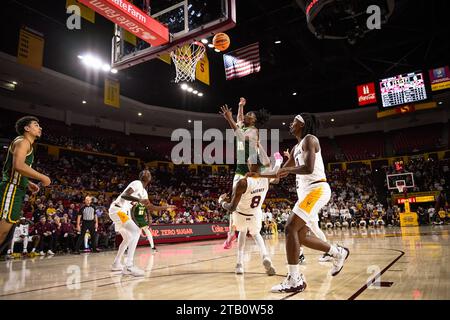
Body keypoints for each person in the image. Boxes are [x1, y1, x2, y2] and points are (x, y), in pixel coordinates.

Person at [262, 114, 349, 293]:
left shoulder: (310, 139)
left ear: (304, 124)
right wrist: (259, 175)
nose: (291, 124)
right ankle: (337, 252)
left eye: (295, 121)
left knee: (289, 228)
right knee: (299, 236)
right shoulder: (295, 148)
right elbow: (280, 174)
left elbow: (308, 168)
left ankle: (295, 280)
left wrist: (285, 169)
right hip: (306, 195)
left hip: (317, 189)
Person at [108, 170, 175, 277]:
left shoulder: (144, 193)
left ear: (150, 178)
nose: (146, 173)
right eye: (144, 172)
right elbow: (125, 195)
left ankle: (116, 264)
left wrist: (166, 207)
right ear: (141, 176)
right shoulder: (136, 183)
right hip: (118, 210)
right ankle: (128, 266)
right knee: (135, 231)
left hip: (122, 212)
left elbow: (150, 207)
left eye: (148, 173)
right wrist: (139, 200)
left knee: (127, 238)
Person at [219, 155, 277, 276]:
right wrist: (278, 162)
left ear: (249, 165)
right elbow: (276, 178)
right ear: (260, 166)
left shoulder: (242, 182)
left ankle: (239, 264)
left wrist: (221, 202)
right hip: (255, 214)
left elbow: (231, 207)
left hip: (240, 215)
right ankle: (265, 256)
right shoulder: (265, 179)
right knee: (256, 235)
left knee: (242, 233)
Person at [0, 116, 51, 254]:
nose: (40, 127)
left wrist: (27, 183)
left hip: (16, 187)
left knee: (6, 232)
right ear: (26, 128)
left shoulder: (27, 144)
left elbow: (13, 168)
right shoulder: (23, 141)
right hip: (11, 188)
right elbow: (18, 166)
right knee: (3, 231)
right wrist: (42, 177)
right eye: (35, 125)